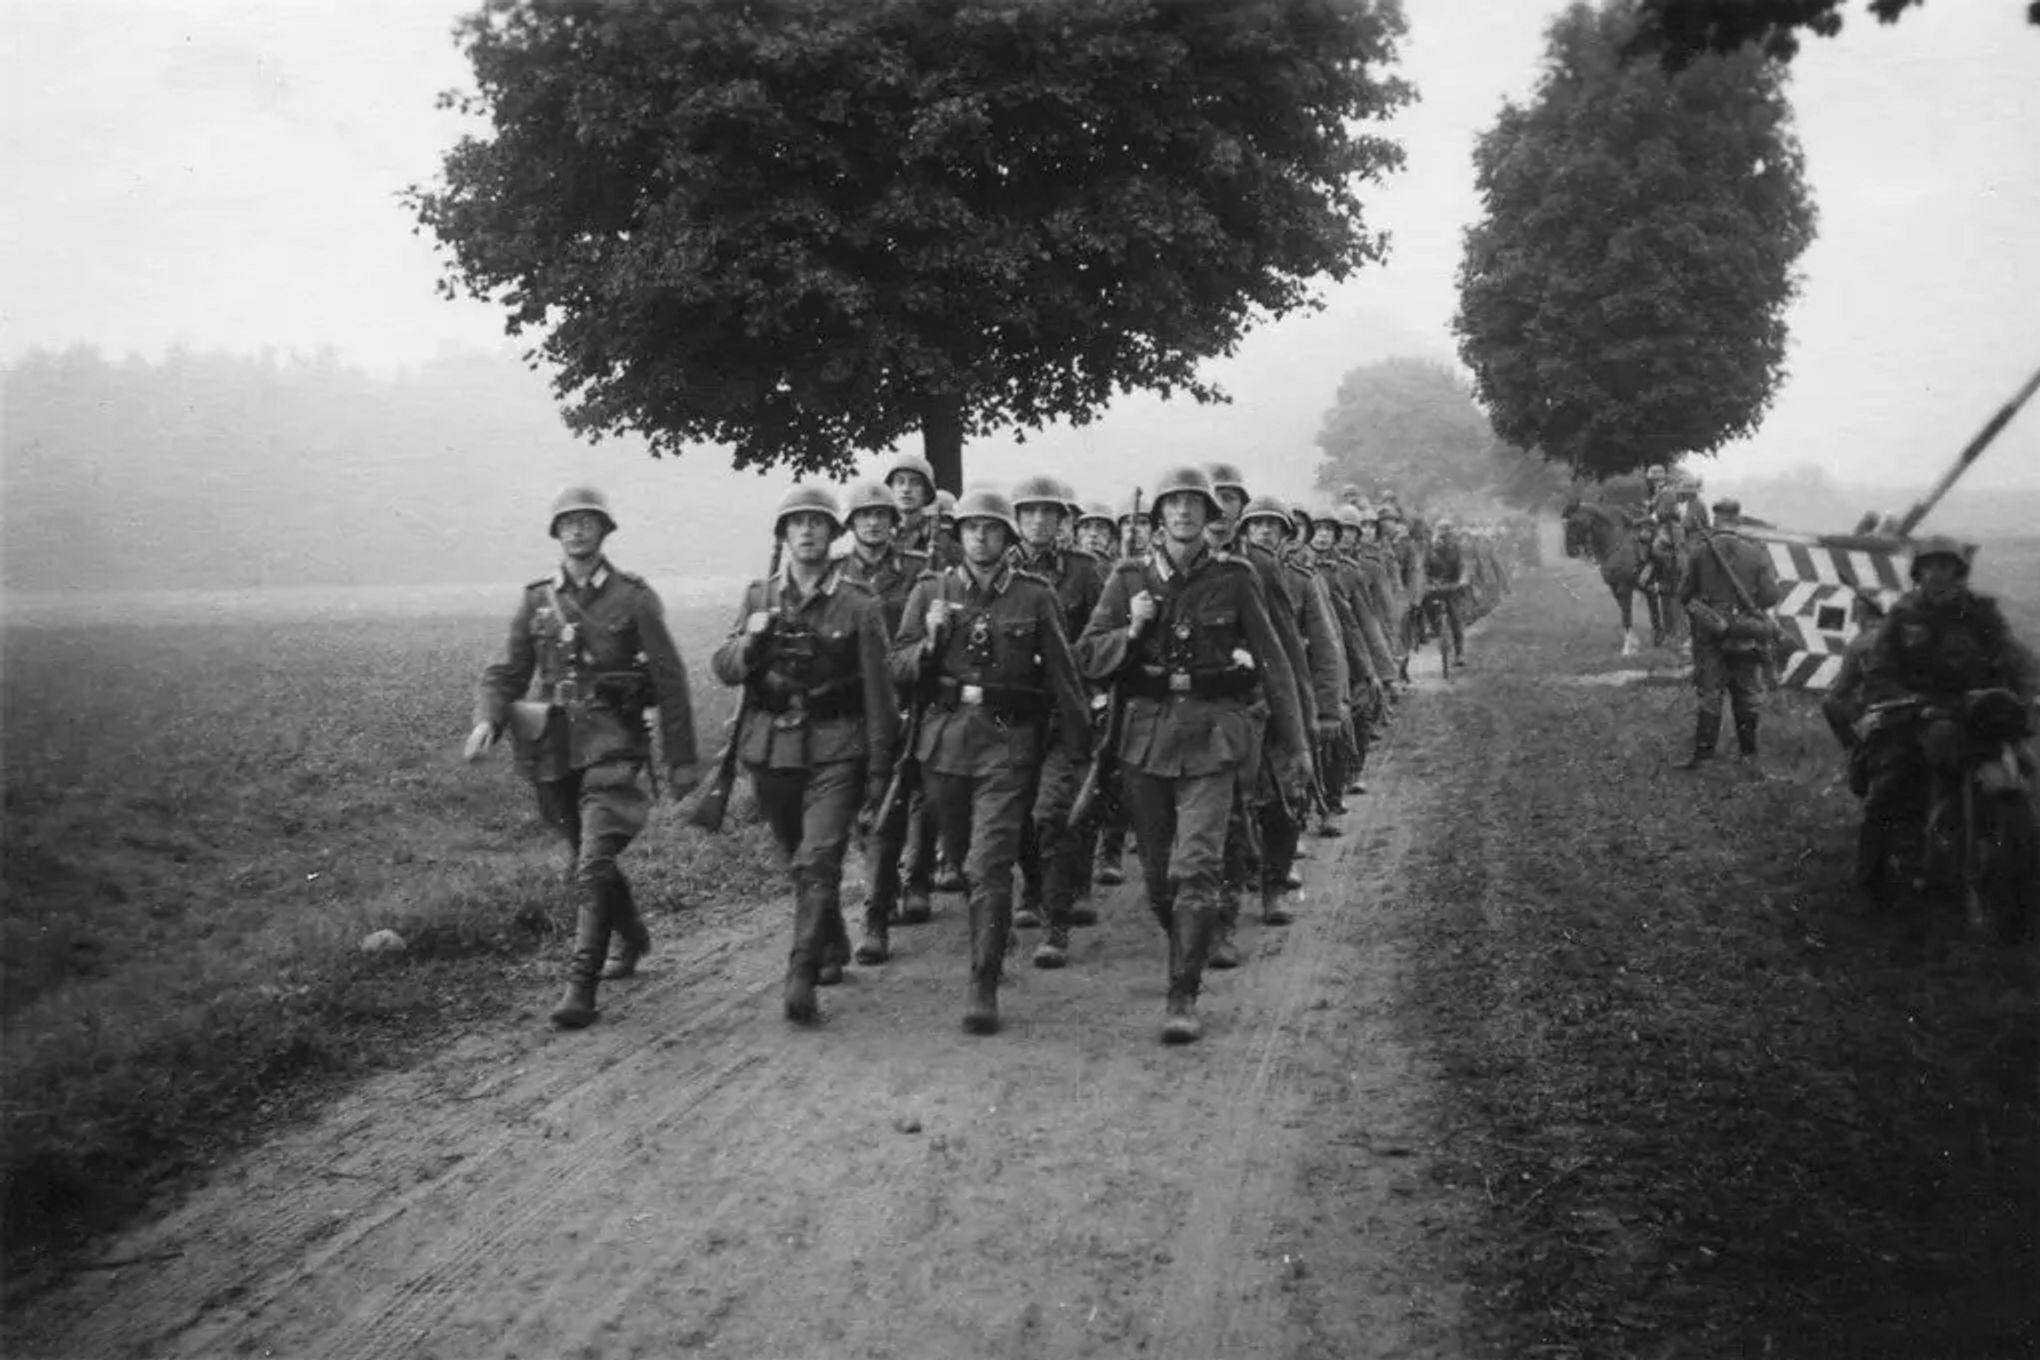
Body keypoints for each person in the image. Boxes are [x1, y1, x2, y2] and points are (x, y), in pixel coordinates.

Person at [1076, 466, 1310, 1044]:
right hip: (1146, 738)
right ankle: (1188, 943)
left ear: (1211, 519)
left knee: (1197, 866)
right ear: (1159, 517)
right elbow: (1086, 653)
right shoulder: (1128, 576)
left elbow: (1274, 661)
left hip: (1214, 734)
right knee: (1158, 879)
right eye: (1173, 505)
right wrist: (1130, 632)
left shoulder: (1237, 577)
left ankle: (1182, 994)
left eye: (1193, 506)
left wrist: (1297, 741)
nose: (1183, 514)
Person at [471, 487, 700, 1030]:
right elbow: (506, 672)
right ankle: (634, 936)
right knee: (585, 856)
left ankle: (581, 985)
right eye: (568, 522)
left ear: (604, 531)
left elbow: (669, 680)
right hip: (554, 750)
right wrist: (487, 719)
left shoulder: (634, 598)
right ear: (556, 533)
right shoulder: (536, 601)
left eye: (587, 521)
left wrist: (682, 759)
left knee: (592, 863)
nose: (577, 530)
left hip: (614, 744)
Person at [890, 488, 1092, 1033]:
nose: (981, 536)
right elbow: (898, 667)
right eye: (972, 528)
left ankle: (984, 981)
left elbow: (1063, 676)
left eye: (992, 528)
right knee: (959, 857)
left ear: (1007, 539)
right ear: (960, 537)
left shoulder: (1035, 595)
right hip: (944, 742)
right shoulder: (931, 590)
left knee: (989, 861)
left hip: (1008, 742)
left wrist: (1079, 752)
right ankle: (993, 931)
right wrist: (927, 643)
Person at [709, 486, 899, 1020]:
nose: (808, 532)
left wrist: (881, 771)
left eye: (818, 523)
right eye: (797, 524)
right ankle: (832, 940)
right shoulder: (758, 597)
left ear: (833, 534)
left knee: (819, 857)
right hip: (772, 751)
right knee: (799, 856)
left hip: (838, 747)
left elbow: (880, 696)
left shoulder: (859, 603)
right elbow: (723, 668)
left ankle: (800, 971)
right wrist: (750, 641)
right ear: (783, 535)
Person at [1852, 536, 2038, 904]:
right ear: (1918, 572)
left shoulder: (1981, 612)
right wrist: (1903, 700)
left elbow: (2014, 654)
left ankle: (2024, 872)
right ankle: (1869, 882)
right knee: (1888, 787)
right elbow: (1879, 670)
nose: (1938, 574)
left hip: (1978, 710)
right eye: (1930, 566)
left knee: (2027, 772)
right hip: (1919, 712)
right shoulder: (1903, 616)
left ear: (1959, 572)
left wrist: (2031, 688)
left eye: (1947, 566)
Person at [1203, 462, 1316, 968]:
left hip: (1261, 704)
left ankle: (1272, 886)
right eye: (1214, 497)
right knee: (1223, 814)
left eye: (1231, 498)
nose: (1221, 506)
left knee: (1280, 802)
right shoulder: (1177, 564)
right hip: (1209, 711)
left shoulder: (1263, 567)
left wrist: (1303, 716)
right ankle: (1221, 914)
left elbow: (1287, 647)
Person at [831, 481, 930, 959]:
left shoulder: (917, 570)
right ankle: (886, 885)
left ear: (895, 523)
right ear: (850, 524)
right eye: (863, 515)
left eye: (881, 515)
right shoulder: (835, 575)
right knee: (855, 811)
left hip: (906, 697)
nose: (873, 523)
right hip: (851, 703)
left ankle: (880, 910)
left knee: (895, 803)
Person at [1007, 474, 1104, 956]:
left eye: (1049, 513)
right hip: (1015, 711)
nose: (1039, 521)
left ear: (1064, 520)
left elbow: (1109, 630)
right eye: (1029, 513)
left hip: (1070, 704)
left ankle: (1058, 914)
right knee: (1020, 809)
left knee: (1057, 810)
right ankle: (1033, 888)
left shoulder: (1084, 571)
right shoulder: (999, 568)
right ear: (1017, 520)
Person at [1673, 498, 1784, 770]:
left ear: (1715, 519)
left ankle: (1704, 757)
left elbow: (1684, 594)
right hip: (1746, 631)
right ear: (1738, 519)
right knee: (1747, 695)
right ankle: (1748, 757)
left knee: (1710, 693)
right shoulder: (1757, 552)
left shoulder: (1700, 551)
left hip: (1710, 633)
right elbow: (1770, 597)